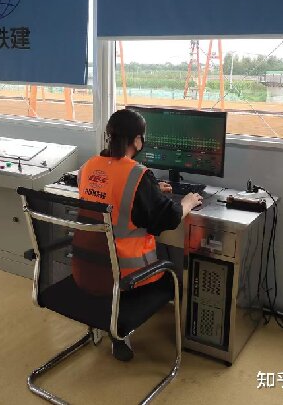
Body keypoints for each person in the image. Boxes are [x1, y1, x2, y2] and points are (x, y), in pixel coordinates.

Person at [74, 108, 202, 361]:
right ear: (137, 140)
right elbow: (169, 218)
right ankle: (129, 327)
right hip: (128, 278)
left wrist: (151, 189)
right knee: (175, 275)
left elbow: (111, 192)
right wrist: (187, 202)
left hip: (85, 269)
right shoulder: (137, 175)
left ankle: (114, 327)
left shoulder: (87, 167)